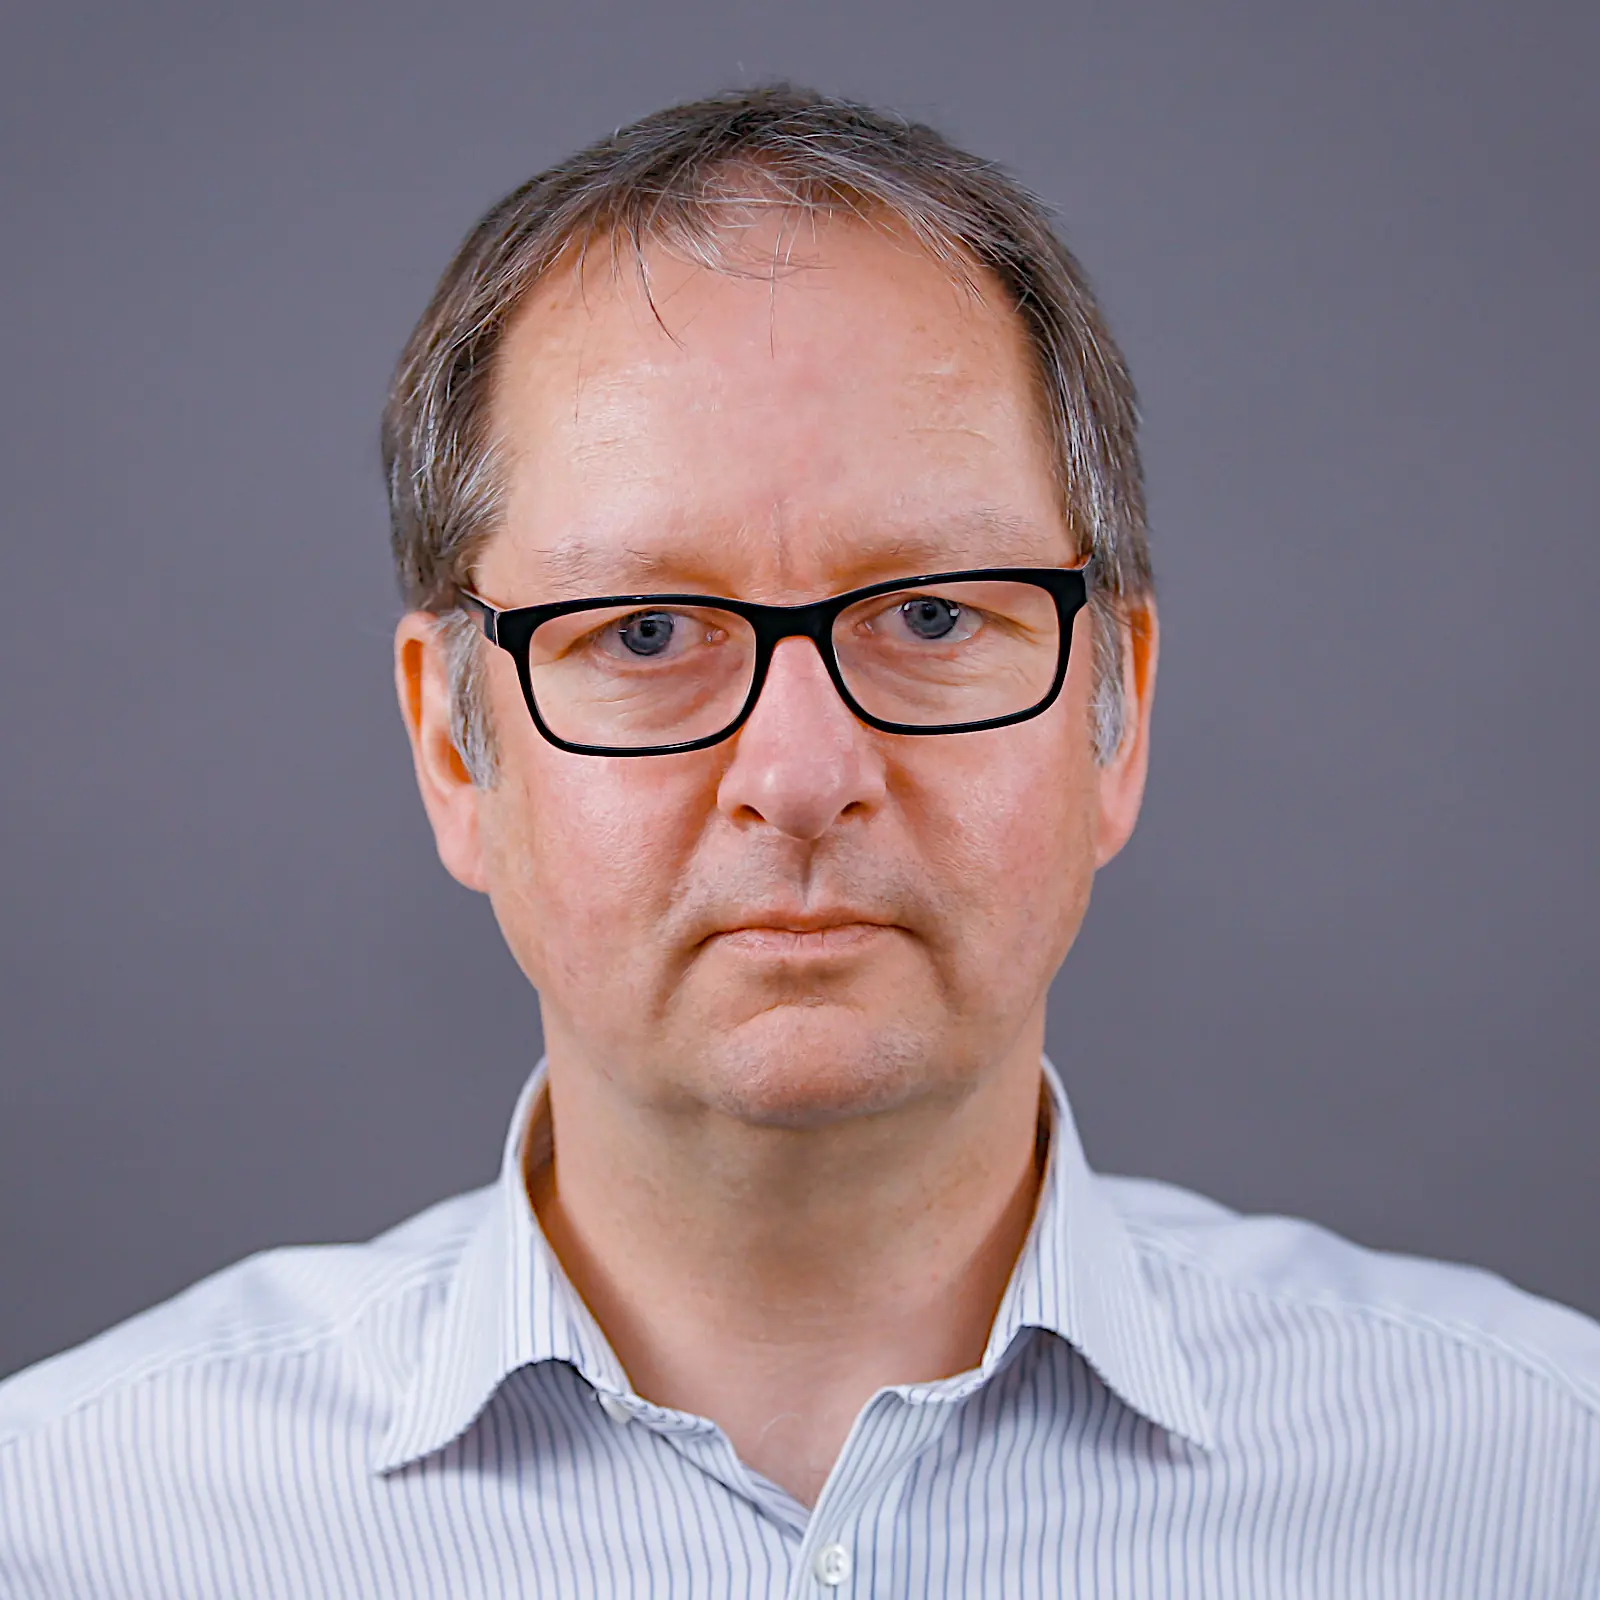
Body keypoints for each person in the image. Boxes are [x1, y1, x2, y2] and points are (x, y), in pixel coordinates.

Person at [1, 83, 1596, 1598]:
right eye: (642, 632)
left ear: (1115, 716)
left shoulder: (1542, 1489)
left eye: (931, 614)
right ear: (452, 753)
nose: (802, 772)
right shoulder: (72, 1529)